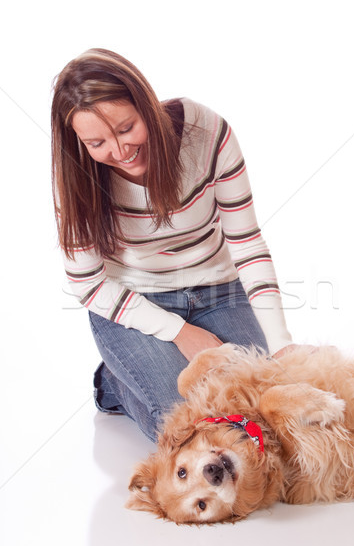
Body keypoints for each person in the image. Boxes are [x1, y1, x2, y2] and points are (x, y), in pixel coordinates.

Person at [51, 48, 295, 442]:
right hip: (134, 302)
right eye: (97, 143)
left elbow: (247, 243)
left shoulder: (208, 134)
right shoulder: (75, 174)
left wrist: (282, 347)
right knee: (193, 428)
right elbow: (89, 285)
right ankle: (114, 382)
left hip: (219, 291)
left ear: (145, 103)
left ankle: (127, 372)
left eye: (127, 127)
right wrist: (180, 333)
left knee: (261, 409)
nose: (118, 151)